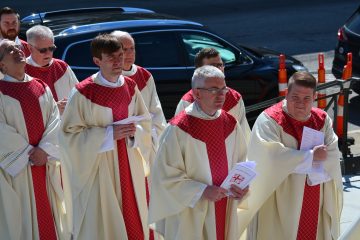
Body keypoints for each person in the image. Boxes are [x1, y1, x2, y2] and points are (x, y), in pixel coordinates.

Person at [59, 34, 153, 240]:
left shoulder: (130, 86)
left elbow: (145, 122)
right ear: (97, 61)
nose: (118, 61)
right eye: (111, 57)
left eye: (120, 55)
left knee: (133, 219)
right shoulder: (83, 92)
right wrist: (109, 134)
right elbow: (68, 136)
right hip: (99, 168)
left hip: (129, 164)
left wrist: (134, 131)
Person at [238, 71, 343, 239]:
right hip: (280, 198)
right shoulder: (269, 120)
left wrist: (303, 159)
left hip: (314, 194)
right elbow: (270, 158)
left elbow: (331, 152)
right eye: (295, 97)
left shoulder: (322, 120)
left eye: (307, 98)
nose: (300, 104)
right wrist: (310, 156)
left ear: (315, 97)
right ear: (286, 93)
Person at [149, 65, 249, 240]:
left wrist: (242, 185)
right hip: (192, 210)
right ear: (196, 93)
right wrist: (201, 190)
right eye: (213, 90)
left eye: (223, 89)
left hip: (225, 205)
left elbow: (241, 162)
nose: (221, 95)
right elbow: (165, 176)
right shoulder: (178, 128)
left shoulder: (230, 123)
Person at [0, 39, 68, 239]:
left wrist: (45, 150)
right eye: (9, 50)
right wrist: (29, 153)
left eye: (17, 48)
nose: (17, 50)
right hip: (18, 170)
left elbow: (55, 121)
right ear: (1, 64)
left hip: (44, 165)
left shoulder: (40, 86)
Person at [111, 30, 166, 165]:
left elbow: (157, 113)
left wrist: (148, 136)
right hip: (117, 144)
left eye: (132, 48)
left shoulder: (145, 76)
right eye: (124, 50)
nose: (130, 54)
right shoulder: (109, 77)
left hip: (146, 143)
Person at [175, 47, 251, 142]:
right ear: (199, 70)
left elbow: (243, 138)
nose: (218, 69)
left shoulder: (235, 99)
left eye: (220, 65)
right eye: (212, 66)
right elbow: (179, 138)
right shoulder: (187, 102)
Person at [25, 25, 78, 115]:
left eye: (51, 48)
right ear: (30, 48)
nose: (48, 53)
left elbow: (79, 96)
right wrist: (53, 109)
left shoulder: (62, 67)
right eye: (42, 50)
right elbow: (21, 109)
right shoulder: (21, 71)